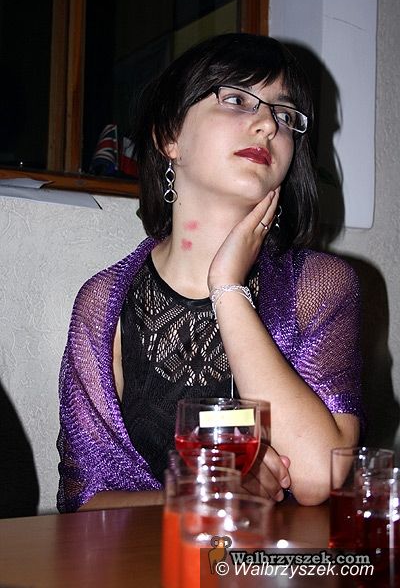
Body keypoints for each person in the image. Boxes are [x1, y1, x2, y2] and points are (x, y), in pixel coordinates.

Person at [56, 33, 363, 513]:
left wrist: (228, 289)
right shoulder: (105, 303)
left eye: (285, 115)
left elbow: (318, 474)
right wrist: (206, 494)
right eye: (237, 99)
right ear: (169, 136)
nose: (268, 124)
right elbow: (83, 501)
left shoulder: (318, 286)